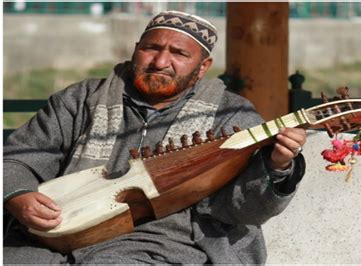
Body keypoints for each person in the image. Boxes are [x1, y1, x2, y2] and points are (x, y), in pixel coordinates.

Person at [3, 11, 306, 264]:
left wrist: (277, 166)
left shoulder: (231, 115)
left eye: (178, 53)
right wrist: (17, 195)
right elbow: (19, 157)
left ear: (203, 67)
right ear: (136, 49)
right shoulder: (81, 99)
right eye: (151, 48)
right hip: (58, 229)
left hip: (171, 239)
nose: (160, 62)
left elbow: (243, 210)